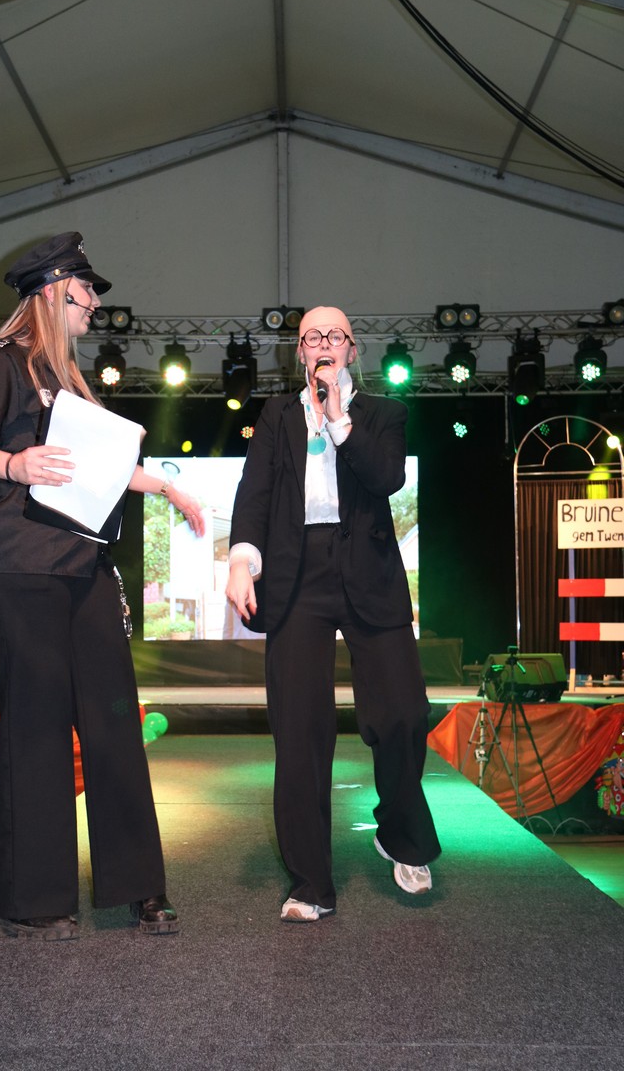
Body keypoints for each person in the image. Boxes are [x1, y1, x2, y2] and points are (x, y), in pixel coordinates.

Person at [0, 231, 204, 939]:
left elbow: (99, 468)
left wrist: (169, 489)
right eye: (88, 291)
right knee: (35, 722)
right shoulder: (0, 360)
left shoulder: (70, 381)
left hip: (81, 564)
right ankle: (32, 897)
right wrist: (13, 463)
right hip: (16, 563)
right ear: (57, 290)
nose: (95, 303)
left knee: (114, 714)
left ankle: (138, 887)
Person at [225, 306, 441, 922]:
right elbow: (254, 494)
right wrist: (241, 561)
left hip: (369, 572)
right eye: (312, 336)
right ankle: (310, 882)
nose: (323, 342)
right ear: (299, 351)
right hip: (298, 573)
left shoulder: (382, 413)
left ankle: (400, 835)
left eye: (335, 335)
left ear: (351, 349)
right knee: (300, 729)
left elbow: (387, 477)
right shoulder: (275, 416)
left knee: (402, 714)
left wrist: (340, 420)